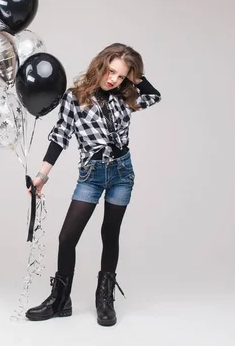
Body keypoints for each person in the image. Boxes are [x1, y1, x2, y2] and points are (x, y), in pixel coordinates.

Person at [25, 43, 162, 326]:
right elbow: (60, 137)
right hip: (92, 174)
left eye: (121, 76)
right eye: (111, 71)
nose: (113, 79)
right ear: (100, 65)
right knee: (67, 237)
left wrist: (135, 77)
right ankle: (61, 299)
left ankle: (104, 298)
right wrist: (42, 176)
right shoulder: (75, 98)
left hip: (122, 174)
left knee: (110, 234)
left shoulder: (127, 98)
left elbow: (154, 95)